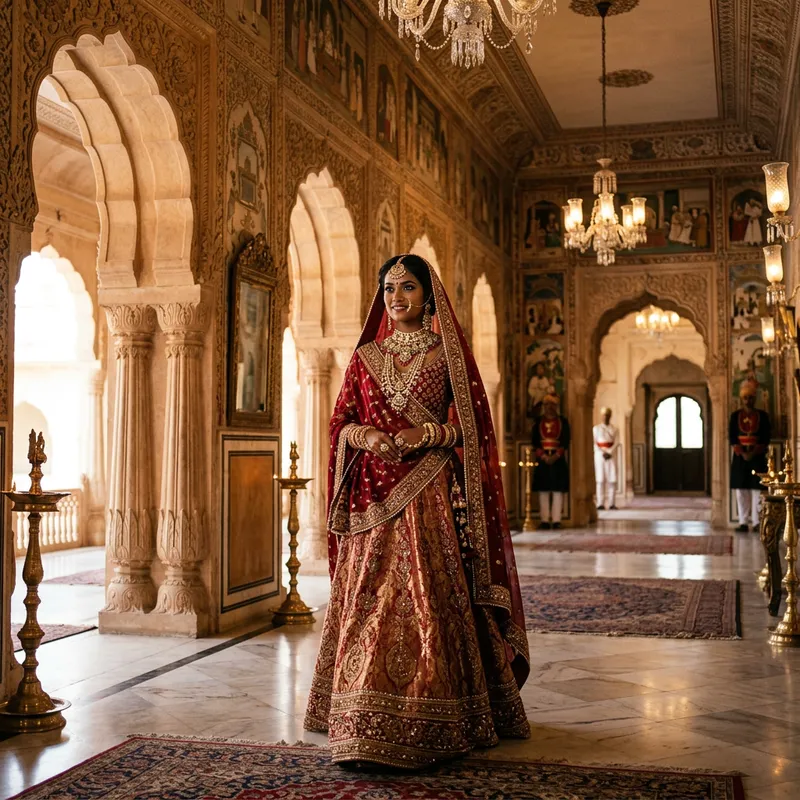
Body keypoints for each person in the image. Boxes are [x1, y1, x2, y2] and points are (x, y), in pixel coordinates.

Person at [304, 254, 530, 768]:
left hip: (429, 495)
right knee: (368, 599)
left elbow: (473, 429)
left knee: (430, 597)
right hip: (372, 499)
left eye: (407, 287)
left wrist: (426, 433)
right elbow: (340, 421)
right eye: (388, 289)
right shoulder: (365, 357)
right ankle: (357, 714)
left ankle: (435, 712)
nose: (396, 297)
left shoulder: (447, 355)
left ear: (428, 294)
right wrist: (366, 435)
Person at [729, 379, 771, 532]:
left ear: (755, 398)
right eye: (745, 398)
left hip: (757, 457)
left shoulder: (762, 416)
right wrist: (742, 453)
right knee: (741, 491)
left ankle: (756, 522)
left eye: (751, 398)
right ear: (742, 399)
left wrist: (753, 452)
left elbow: (766, 437)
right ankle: (743, 522)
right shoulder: (735, 416)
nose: (748, 400)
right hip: (740, 458)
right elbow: (732, 437)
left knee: (757, 490)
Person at [533, 393, 570, 529]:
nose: (550, 407)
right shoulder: (538, 422)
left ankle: (556, 520)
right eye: (547, 404)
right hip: (543, 460)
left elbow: (565, 441)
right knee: (543, 490)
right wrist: (544, 457)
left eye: (553, 405)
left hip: (557, 460)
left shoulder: (563, 422)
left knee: (557, 490)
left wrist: (555, 456)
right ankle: (544, 520)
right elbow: (535, 441)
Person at [593, 407, 619, 510]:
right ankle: (600, 503)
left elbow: (616, 442)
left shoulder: (615, 429)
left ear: (610, 416)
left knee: (612, 479)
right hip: (599, 456)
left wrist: (609, 452)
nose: (605, 417)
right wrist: (602, 452)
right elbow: (594, 442)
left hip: (611, 456)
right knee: (600, 480)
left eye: (607, 415)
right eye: (604, 415)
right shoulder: (596, 429)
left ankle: (612, 503)